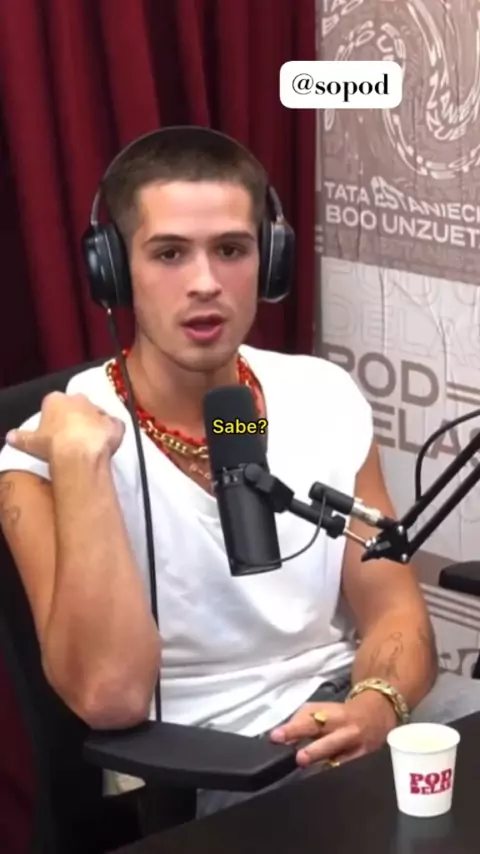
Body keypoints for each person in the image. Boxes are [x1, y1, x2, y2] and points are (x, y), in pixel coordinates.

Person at [0, 127, 479, 819]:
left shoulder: (323, 394)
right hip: (217, 760)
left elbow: (394, 609)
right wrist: (81, 464)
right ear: (114, 271)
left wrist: (377, 704)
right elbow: (110, 696)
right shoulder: (40, 456)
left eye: (230, 250)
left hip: (351, 709)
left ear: (270, 262)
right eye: (169, 253)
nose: (205, 283)